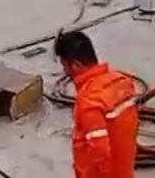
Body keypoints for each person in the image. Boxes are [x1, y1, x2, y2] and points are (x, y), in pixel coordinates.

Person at [55, 31, 139, 178]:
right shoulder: (122, 82)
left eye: (65, 65)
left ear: (76, 65)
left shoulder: (89, 100)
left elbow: (100, 149)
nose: (64, 71)